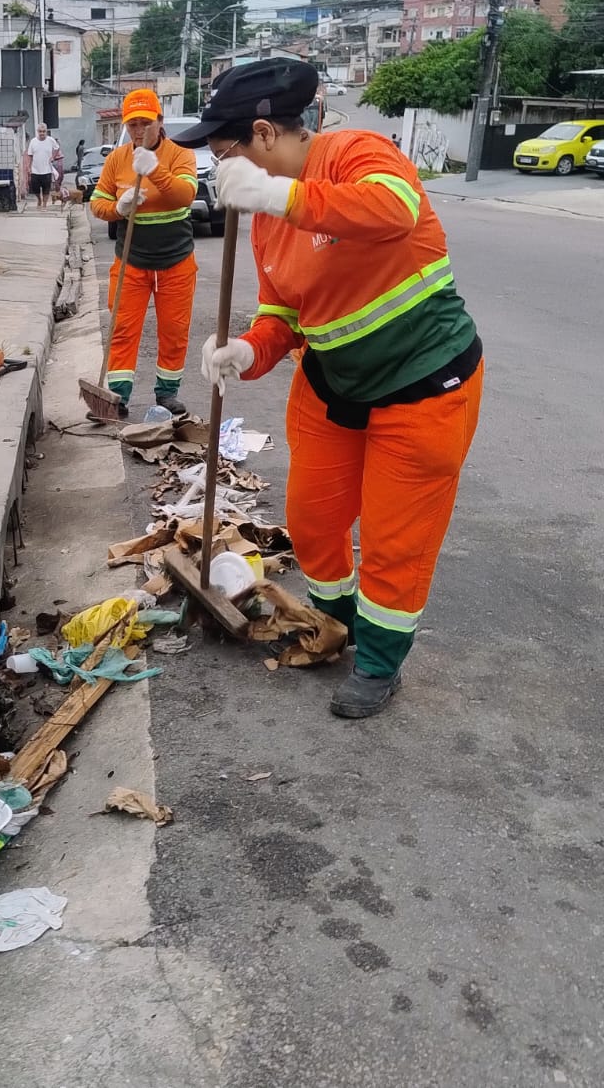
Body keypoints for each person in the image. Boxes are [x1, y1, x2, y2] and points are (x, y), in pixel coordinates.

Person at [173, 60, 483, 719]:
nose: (216, 167)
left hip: (424, 384)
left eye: (223, 151)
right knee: (314, 521)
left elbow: (392, 210)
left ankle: (378, 662)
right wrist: (244, 353)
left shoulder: (353, 153)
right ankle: (335, 623)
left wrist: (280, 196)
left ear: (262, 134)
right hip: (333, 385)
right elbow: (283, 311)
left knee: (397, 540)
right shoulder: (266, 217)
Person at [88, 89, 199, 417]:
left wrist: (154, 171)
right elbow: (97, 203)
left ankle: (166, 393)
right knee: (122, 327)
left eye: (145, 123)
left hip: (176, 260)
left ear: (159, 122)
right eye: (132, 124)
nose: (138, 131)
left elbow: (184, 196)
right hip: (131, 261)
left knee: (174, 330)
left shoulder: (180, 155)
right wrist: (118, 208)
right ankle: (118, 397)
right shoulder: (117, 160)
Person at [25, 123, 60, 211]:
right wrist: (28, 167)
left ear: (46, 131)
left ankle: (44, 205)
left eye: (44, 131)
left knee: (46, 189)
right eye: (40, 131)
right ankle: (39, 200)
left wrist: (53, 157)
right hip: (35, 170)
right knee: (35, 188)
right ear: (37, 132)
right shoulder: (33, 141)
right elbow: (30, 155)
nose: (42, 133)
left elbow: (57, 148)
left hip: (47, 170)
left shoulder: (50, 140)